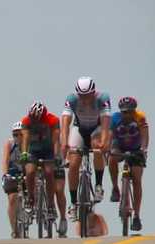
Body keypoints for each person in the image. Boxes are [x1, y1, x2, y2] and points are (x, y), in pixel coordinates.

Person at [61, 76, 111, 221]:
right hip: (79, 128)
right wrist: (64, 142)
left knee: (97, 147)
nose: (84, 98)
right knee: (74, 163)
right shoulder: (72, 98)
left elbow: (106, 121)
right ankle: (73, 203)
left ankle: (99, 185)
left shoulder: (102, 98)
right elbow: (65, 121)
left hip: (97, 128)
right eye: (81, 95)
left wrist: (105, 140)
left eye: (87, 95)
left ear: (93, 92)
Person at [108, 96, 149, 231]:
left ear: (134, 111)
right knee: (112, 158)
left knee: (137, 179)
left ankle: (136, 216)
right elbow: (109, 136)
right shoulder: (115, 119)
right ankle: (115, 188)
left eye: (130, 111)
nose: (127, 114)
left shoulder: (140, 117)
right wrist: (107, 149)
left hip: (136, 148)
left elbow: (144, 135)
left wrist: (143, 149)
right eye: (124, 112)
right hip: (119, 146)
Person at [19, 101, 60, 222]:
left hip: (48, 149)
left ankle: (51, 204)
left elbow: (56, 139)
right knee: (30, 172)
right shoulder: (26, 121)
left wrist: (56, 154)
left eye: (38, 120)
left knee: (48, 172)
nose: (35, 122)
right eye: (33, 119)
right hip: (33, 150)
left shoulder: (53, 120)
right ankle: (30, 198)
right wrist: (24, 153)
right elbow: (25, 138)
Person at [2, 121, 24, 238]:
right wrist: (5, 175)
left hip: (25, 172)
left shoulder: (29, 144)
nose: (18, 137)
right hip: (13, 172)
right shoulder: (9, 144)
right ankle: (14, 229)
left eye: (20, 134)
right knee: (12, 199)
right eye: (15, 134)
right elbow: (5, 160)